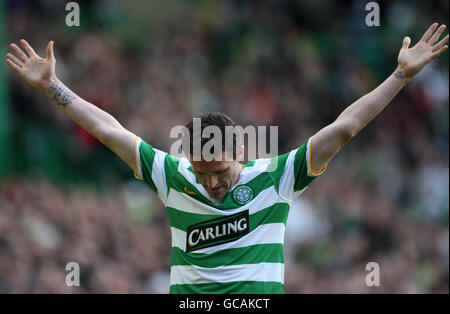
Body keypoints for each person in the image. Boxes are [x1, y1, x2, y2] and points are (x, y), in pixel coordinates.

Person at [5, 23, 448, 294]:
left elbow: (345, 127)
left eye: (218, 172)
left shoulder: (277, 176)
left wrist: (399, 75)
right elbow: (107, 129)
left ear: (239, 151)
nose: (211, 184)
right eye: (202, 173)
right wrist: (51, 86)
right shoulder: (173, 175)